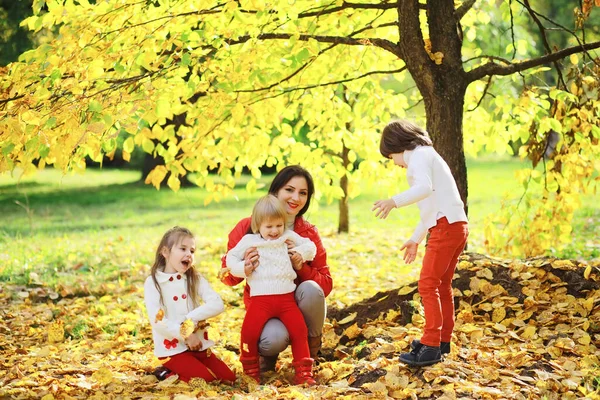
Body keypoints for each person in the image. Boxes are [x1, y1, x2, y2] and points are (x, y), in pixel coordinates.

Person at [372, 120, 469, 367]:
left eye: (390, 156)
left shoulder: (418, 157)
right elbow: (431, 207)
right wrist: (415, 239)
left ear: (397, 146)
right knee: (441, 284)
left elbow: (423, 189)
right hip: (456, 225)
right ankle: (442, 340)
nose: (394, 163)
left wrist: (393, 201)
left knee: (427, 285)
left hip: (446, 228)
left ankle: (430, 346)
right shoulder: (428, 155)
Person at [220, 165, 332, 373]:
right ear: (275, 191)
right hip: (264, 304)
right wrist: (244, 266)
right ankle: (267, 358)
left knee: (311, 288)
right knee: (272, 340)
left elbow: (325, 285)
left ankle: (312, 353)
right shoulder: (248, 228)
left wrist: (301, 267)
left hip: (296, 301)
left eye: (303, 193)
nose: (295, 198)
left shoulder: (306, 233)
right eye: (289, 190)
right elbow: (226, 275)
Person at [226, 194, 317, 384]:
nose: (275, 231)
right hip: (260, 302)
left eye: (279, 225)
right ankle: (251, 373)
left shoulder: (288, 237)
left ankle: (304, 373)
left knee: (299, 332)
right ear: (258, 226)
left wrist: (299, 252)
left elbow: (311, 247)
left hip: (286, 300)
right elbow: (230, 258)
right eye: (269, 227)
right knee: (248, 333)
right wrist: (243, 268)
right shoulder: (249, 241)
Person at [144, 226, 236, 383]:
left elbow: (217, 303)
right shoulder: (154, 282)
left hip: (198, 345)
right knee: (204, 380)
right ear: (165, 252)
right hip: (173, 350)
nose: (189, 254)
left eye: (192, 251)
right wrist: (184, 334)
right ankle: (166, 372)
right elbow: (157, 320)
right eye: (183, 249)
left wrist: (189, 320)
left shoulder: (195, 278)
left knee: (229, 379)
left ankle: (186, 369)